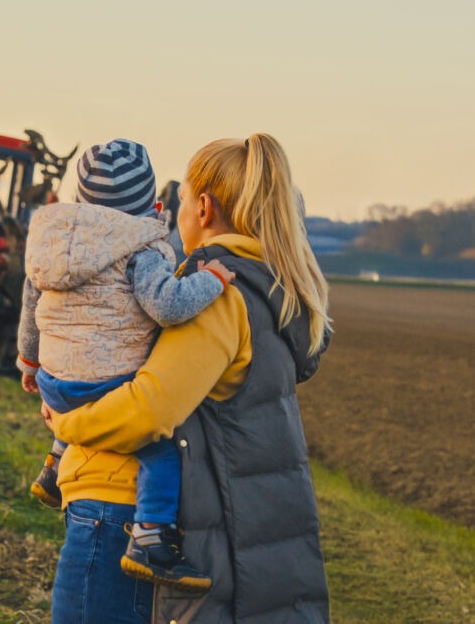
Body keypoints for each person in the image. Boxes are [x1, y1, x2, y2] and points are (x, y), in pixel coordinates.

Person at [46, 133, 332, 624]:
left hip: (121, 513)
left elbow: (150, 409)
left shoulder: (214, 294)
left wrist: (65, 424)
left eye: (178, 201)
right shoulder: (267, 290)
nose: (172, 214)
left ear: (203, 208)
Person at [15, 138, 235, 591]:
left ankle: (56, 465)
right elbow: (167, 306)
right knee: (158, 446)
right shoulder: (142, 247)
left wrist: (29, 361)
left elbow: (30, 302)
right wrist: (210, 280)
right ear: (153, 205)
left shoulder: (51, 244)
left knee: (74, 396)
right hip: (108, 385)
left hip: (55, 381)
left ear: (79, 203)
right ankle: (151, 537)